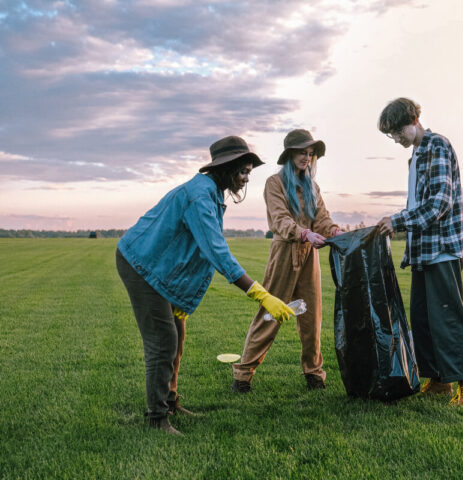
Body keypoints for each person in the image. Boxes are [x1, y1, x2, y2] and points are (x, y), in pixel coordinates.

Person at [116, 136, 295, 435]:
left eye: (249, 172)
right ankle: (157, 419)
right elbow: (216, 252)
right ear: (225, 167)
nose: (246, 178)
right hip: (140, 263)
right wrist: (261, 294)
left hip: (158, 266)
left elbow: (192, 252)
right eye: (243, 171)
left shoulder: (212, 193)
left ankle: (170, 401)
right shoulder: (200, 196)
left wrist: (181, 299)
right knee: (163, 341)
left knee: (177, 332)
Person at [375, 97, 463, 406]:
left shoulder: (437, 145)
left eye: (397, 132)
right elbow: (419, 203)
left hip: (443, 248)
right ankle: (438, 381)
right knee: (422, 319)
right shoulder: (417, 156)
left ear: (413, 121)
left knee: (448, 318)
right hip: (422, 251)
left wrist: (397, 221)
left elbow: (439, 203)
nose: (396, 139)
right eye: (391, 135)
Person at [232, 129, 341, 392]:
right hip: (284, 253)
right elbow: (279, 219)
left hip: (309, 256)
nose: (307, 157)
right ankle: (243, 375)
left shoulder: (313, 186)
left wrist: (335, 232)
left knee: (312, 318)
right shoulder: (274, 183)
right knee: (270, 314)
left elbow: (322, 218)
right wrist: (304, 233)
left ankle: (314, 373)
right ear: (290, 154)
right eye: (302, 152)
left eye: (310, 153)